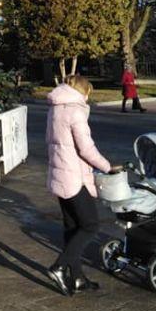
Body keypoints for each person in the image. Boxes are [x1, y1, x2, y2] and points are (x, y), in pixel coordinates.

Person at [46, 74, 121, 295]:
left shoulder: (55, 108)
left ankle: (77, 278)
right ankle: (60, 267)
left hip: (60, 174)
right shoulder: (75, 110)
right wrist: (107, 167)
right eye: (89, 93)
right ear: (83, 91)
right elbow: (86, 149)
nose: (88, 98)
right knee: (90, 225)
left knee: (72, 227)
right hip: (73, 177)